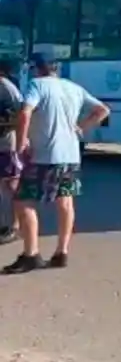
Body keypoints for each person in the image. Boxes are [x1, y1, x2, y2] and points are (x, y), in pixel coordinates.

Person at [2, 50, 110, 274]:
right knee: (65, 201)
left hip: (45, 155)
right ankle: (62, 252)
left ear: (36, 68)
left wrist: (21, 144)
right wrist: (81, 127)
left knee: (23, 201)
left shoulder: (37, 85)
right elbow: (102, 110)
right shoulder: (73, 88)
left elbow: (25, 113)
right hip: (70, 155)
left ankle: (31, 254)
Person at [0, 58, 22, 245]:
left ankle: (15, 226)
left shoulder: (7, 88)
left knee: (12, 184)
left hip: (6, 143)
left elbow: (20, 113)